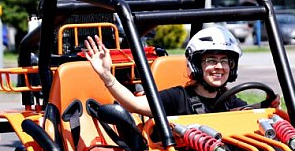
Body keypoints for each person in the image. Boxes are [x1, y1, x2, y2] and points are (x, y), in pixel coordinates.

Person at [85, 25, 251, 117]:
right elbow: (135, 104)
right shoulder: (178, 98)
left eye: (224, 61)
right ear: (196, 65)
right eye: (211, 61)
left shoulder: (229, 100)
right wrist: (107, 76)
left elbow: (253, 114)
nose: (219, 66)